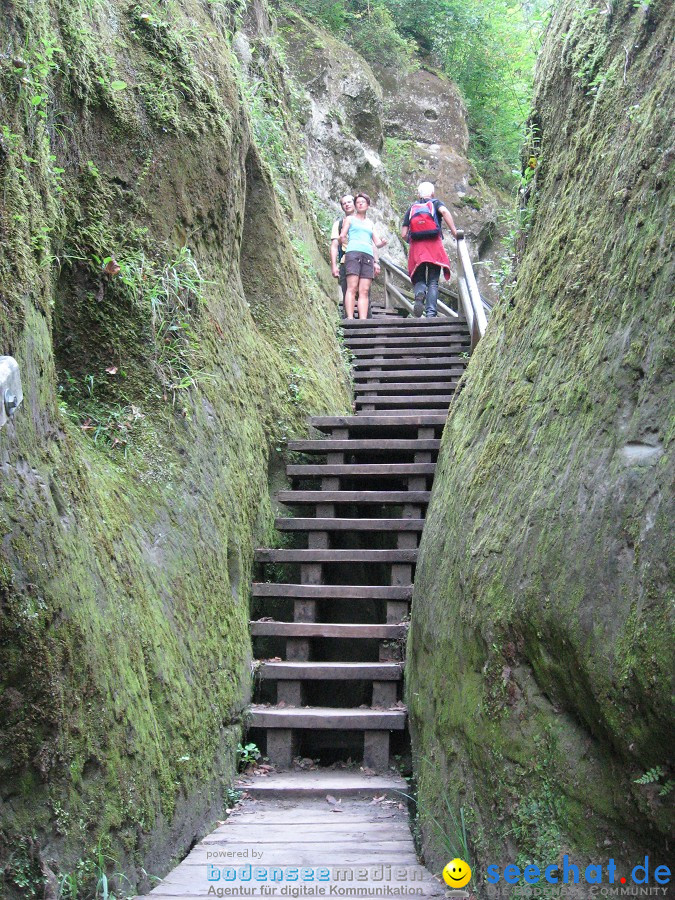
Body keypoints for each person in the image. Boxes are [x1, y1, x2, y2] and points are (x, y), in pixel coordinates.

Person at [401, 181, 459, 318]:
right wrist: (454, 232)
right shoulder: (435, 203)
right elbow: (444, 212)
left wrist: (412, 240)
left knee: (419, 278)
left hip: (417, 248)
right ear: (432, 193)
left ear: (418, 194)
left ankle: (419, 292)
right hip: (434, 246)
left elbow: (403, 234)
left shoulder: (412, 208)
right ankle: (431, 313)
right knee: (433, 281)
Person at [339, 193, 387, 320]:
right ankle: (350, 318)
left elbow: (376, 243)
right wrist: (348, 243)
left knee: (364, 290)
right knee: (352, 287)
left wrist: (382, 243)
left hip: (368, 256)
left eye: (363, 202)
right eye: (358, 202)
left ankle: (363, 320)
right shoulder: (350, 219)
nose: (360, 204)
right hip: (353, 254)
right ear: (355, 205)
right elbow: (342, 236)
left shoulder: (370, 223)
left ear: (368, 205)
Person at [330, 193, 355, 305]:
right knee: (347, 292)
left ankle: (365, 320)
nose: (347, 205)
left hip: (363, 262)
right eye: (344, 203)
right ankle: (349, 319)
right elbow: (334, 246)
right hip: (345, 261)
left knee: (364, 293)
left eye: (349, 202)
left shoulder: (364, 222)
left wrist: (375, 262)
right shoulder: (338, 224)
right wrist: (334, 266)